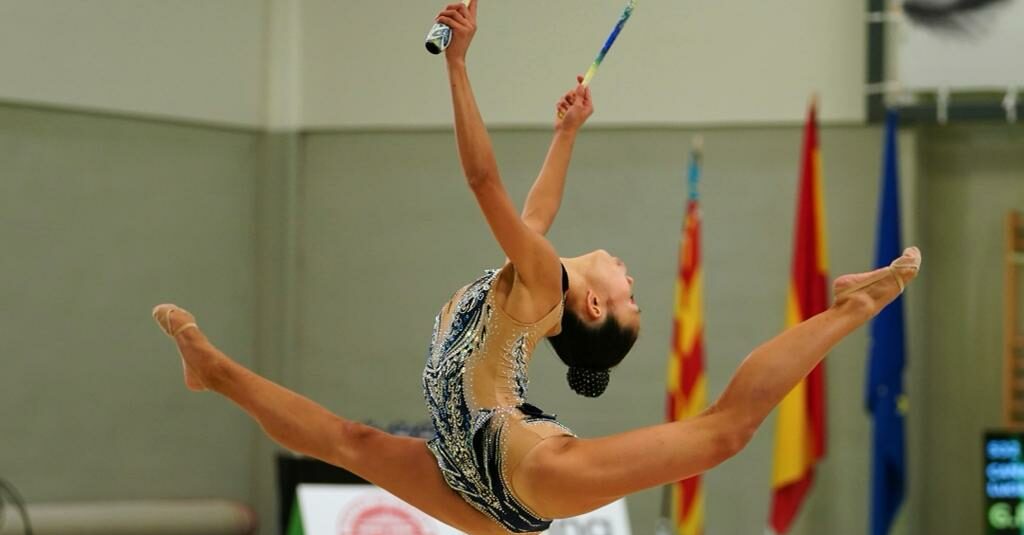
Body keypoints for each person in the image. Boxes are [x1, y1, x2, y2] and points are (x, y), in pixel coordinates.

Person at [152, 2, 921, 533]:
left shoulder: (546, 284)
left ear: (591, 305)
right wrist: (567, 132)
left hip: (514, 469)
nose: (628, 274)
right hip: (470, 473)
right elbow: (536, 216)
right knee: (347, 440)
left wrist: (458, 66)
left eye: (631, 296)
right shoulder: (537, 281)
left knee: (722, 433)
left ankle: (854, 306)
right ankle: (214, 372)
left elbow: (486, 186)